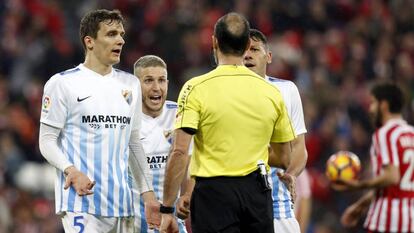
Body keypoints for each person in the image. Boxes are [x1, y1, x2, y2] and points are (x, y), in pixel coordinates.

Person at [160, 12, 296, 233]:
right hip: (257, 194)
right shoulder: (272, 93)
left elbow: (179, 152)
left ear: (214, 41)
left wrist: (167, 209)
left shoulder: (195, 88)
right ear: (247, 45)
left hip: (213, 194)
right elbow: (284, 157)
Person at [39, 9, 157, 233]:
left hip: (122, 204)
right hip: (80, 202)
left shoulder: (130, 84)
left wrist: (148, 192)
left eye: (122, 34)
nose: (120, 40)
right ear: (89, 41)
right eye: (112, 34)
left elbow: (133, 144)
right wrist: (70, 170)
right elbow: (46, 141)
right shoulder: (62, 83)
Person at [244, 28, 310, 233]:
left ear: (269, 57)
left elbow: (299, 146)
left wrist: (292, 174)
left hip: (277, 203)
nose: (247, 55)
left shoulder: (287, 90)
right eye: (243, 51)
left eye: (254, 49)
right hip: (237, 202)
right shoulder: (222, 92)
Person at [333, 83, 414, 233]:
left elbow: (391, 177)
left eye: (373, 103)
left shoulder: (384, 133)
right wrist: (361, 205)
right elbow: (392, 185)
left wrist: (357, 185)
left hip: (387, 220)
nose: (370, 109)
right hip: (409, 220)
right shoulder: (411, 134)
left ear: (383, 105)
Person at [132, 55, 189, 233]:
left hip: (170, 218)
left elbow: (191, 163)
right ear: (136, 85)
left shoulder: (180, 115)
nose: (156, 88)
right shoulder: (125, 119)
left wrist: (187, 195)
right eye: (148, 80)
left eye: (161, 80)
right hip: (132, 221)